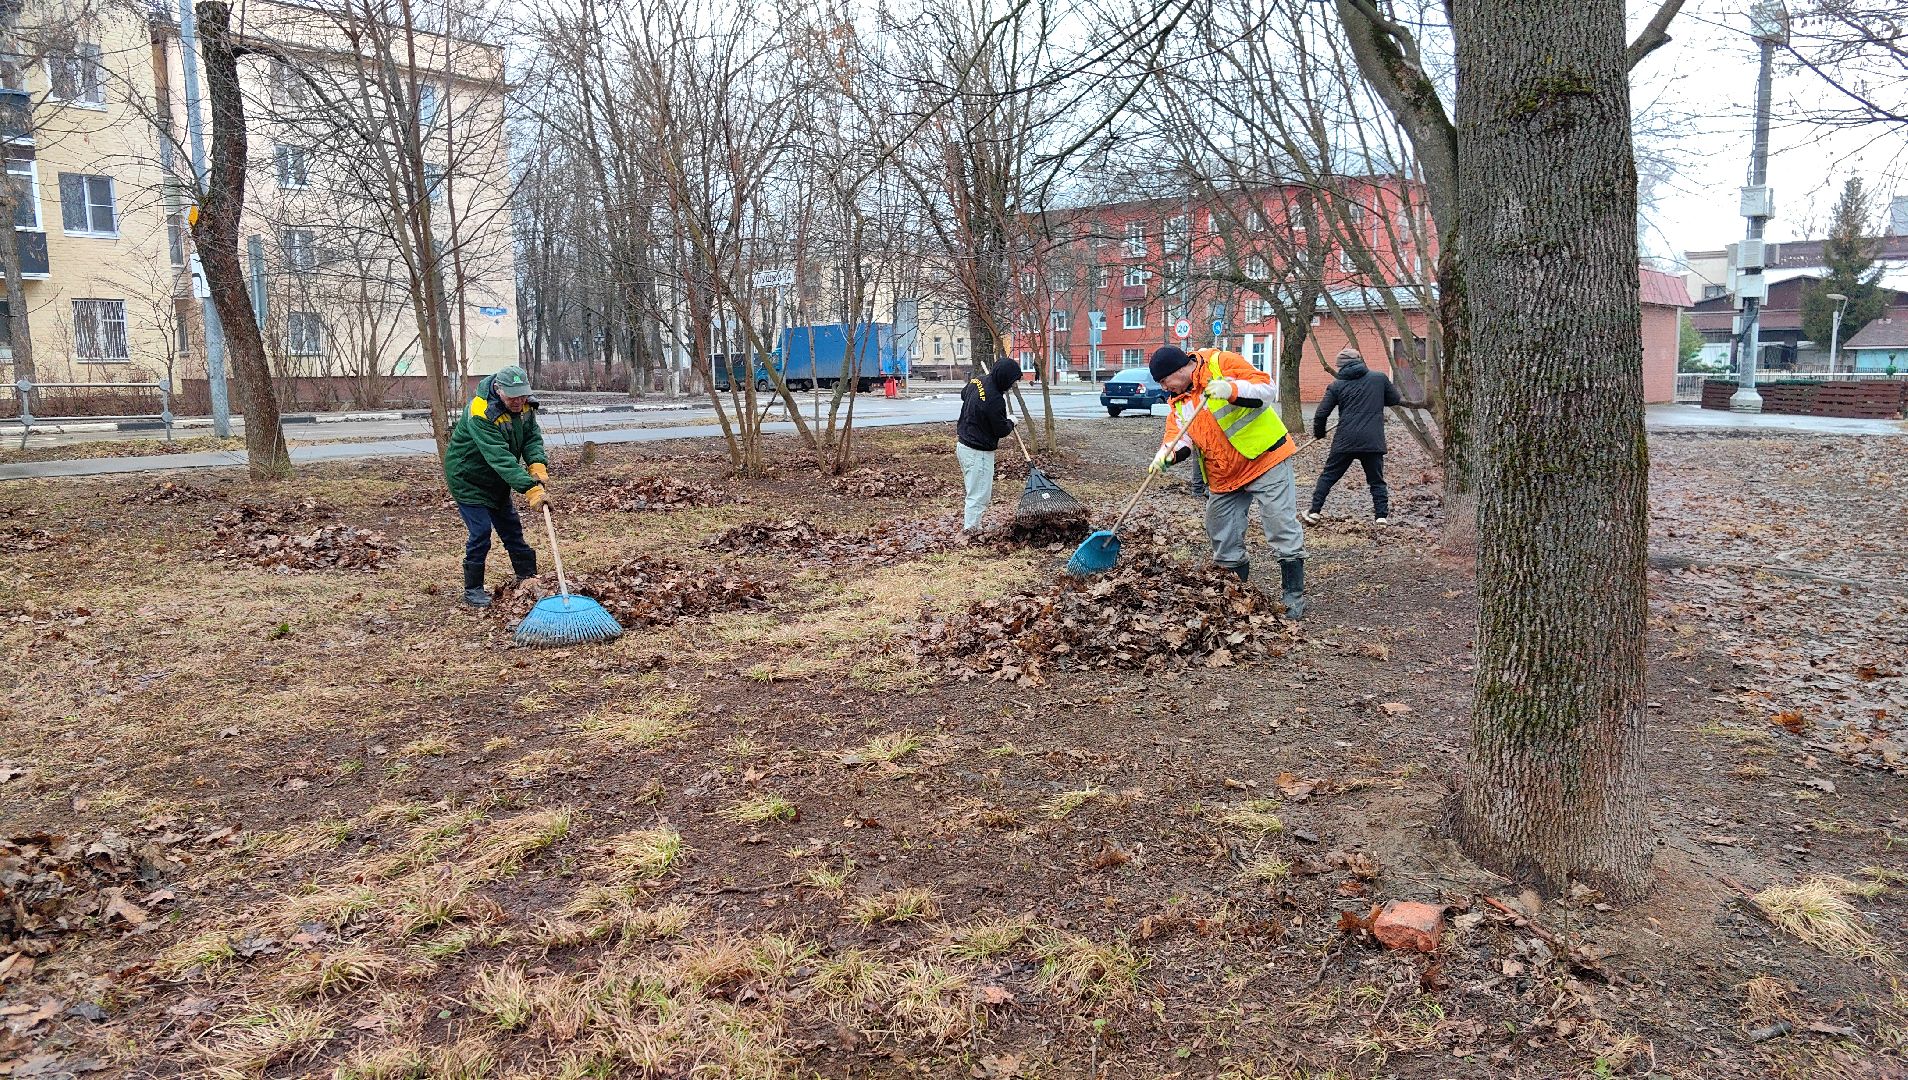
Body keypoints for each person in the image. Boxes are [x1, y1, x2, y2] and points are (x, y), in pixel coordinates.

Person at [1147, 345, 1308, 617]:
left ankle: (1293, 594)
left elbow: (1266, 389)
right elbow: (1179, 437)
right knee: (1220, 529)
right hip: (1224, 473)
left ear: (1178, 370)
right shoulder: (1179, 401)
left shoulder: (1221, 363)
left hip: (1265, 458)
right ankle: (1235, 591)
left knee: (1280, 523)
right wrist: (1166, 455)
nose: (1164, 388)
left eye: (1164, 381)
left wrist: (1230, 390)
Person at [443, 365, 550, 608]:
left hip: (497, 479)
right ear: (499, 390)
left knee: (511, 528)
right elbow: (499, 457)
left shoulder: (525, 407)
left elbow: (532, 437)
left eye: (522, 395)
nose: (518, 401)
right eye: (513, 396)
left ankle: (528, 579)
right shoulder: (481, 411)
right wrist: (530, 488)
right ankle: (473, 590)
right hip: (468, 477)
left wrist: (537, 465)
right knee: (481, 532)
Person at [1304, 346, 1403, 525]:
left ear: (1340, 366)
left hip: (1345, 440)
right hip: (1372, 440)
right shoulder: (1379, 378)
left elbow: (1320, 414)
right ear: (1359, 361)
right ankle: (1381, 517)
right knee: (1376, 481)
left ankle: (1314, 512)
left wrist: (1320, 434)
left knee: (1328, 476)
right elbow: (1394, 399)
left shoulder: (1336, 385)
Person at [955, 358, 1023, 531]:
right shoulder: (995, 400)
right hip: (979, 452)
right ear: (1004, 378)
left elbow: (964, 394)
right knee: (978, 495)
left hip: (963, 446)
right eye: (1011, 381)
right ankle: (971, 532)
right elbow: (1001, 430)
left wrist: (989, 405)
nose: (1011, 385)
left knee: (974, 491)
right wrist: (1011, 421)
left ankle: (972, 528)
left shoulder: (978, 380)